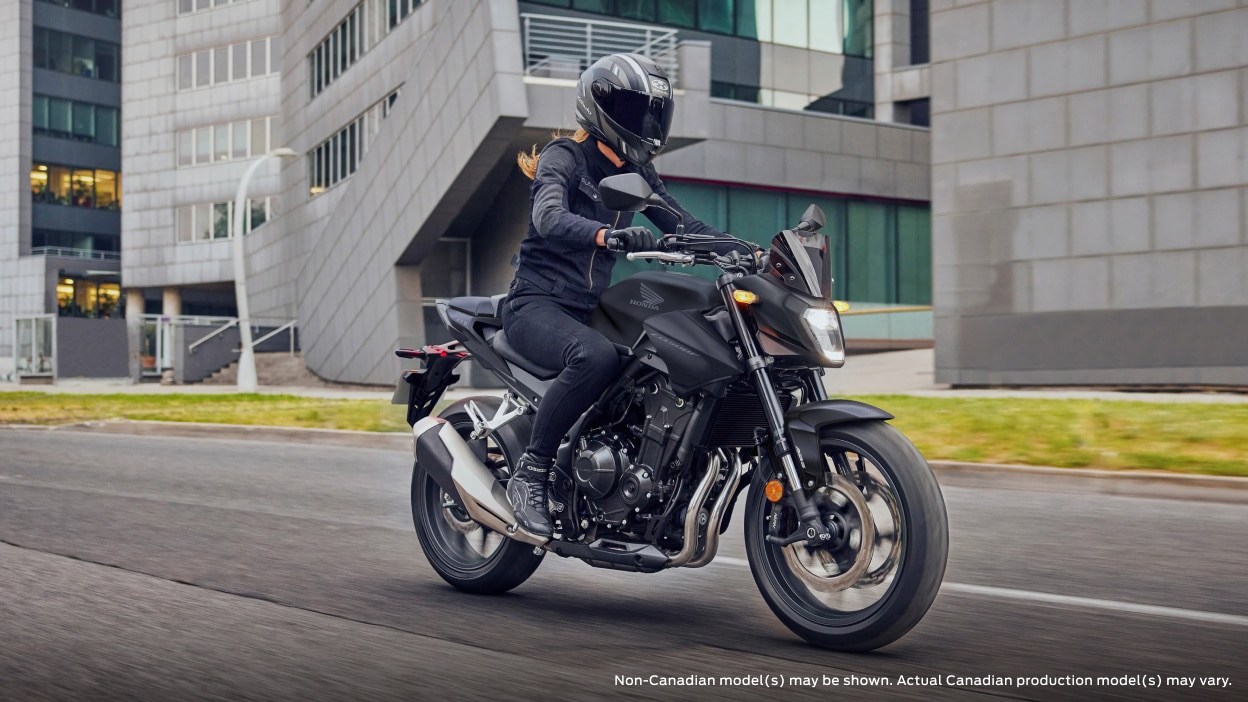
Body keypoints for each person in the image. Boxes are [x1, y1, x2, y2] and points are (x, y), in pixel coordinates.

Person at [503, 53, 729, 537]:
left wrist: (748, 251)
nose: (645, 122)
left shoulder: (638, 174)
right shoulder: (564, 156)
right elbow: (548, 218)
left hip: (590, 308)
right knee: (595, 357)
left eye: (651, 111)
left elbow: (685, 225)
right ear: (601, 107)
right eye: (634, 110)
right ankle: (531, 472)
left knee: (654, 363)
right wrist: (609, 236)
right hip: (536, 303)